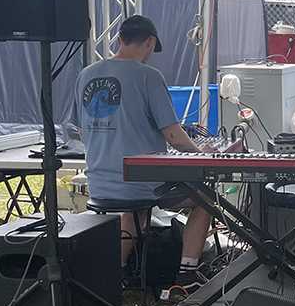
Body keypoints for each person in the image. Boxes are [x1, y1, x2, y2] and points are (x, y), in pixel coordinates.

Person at [76, 15, 213, 288]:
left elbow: (82, 130)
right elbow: (173, 135)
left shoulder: (86, 74)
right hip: (141, 185)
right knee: (206, 198)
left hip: (99, 184)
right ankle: (186, 275)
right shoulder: (148, 76)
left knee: (134, 211)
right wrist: (202, 154)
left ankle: (114, 275)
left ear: (120, 39)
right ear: (149, 42)